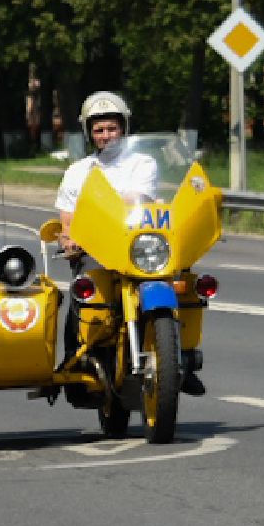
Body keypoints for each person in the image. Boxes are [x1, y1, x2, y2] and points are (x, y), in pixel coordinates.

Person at [53, 91, 204, 396]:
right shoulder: (77, 172)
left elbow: (139, 199)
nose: (106, 135)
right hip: (97, 249)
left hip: (139, 246)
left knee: (183, 279)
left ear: (124, 128)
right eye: (99, 130)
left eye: (112, 128)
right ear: (89, 133)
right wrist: (69, 238)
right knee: (84, 291)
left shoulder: (142, 162)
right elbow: (67, 218)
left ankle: (181, 357)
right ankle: (75, 356)